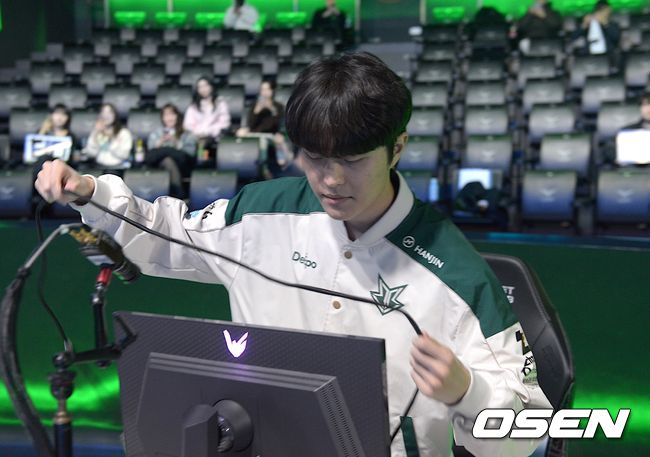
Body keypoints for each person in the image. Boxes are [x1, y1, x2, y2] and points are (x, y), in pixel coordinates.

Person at [35, 52, 551, 457]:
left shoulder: (459, 275)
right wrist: (90, 193)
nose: (330, 179)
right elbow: (165, 237)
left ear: (397, 148)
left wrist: (466, 393)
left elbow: (531, 429)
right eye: (314, 157)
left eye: (352, 160)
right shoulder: (262, 213)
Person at [236, 80, 292, 171]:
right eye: (262, 89)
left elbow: (277, 124)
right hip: (254, 133)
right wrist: (256, 111)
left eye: (267, 89)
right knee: (240, 133)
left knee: (263, 141)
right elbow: (250, 125)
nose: (264, 92)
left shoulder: (278, 106)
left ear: (272, 91)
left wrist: (272, 109)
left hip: (270, 135)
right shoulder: (255, 105)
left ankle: (263, 167)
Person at [146, 103, 197, 198]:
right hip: (159, 165)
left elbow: (190, 153)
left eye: (172, 114)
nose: (169, 118)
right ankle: (179, 195)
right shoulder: (156, 133)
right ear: (162, 118)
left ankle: (176, 194)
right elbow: (150, 154)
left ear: (177, 116)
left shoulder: (186, 133)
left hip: (182, 166)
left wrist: (176, 142)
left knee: (169, 158)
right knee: (167, 160)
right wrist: (159, 143)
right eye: (166, 115)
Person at [183, 76, 231, 162]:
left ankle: (201, 160)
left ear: (211, 87)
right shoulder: (193, 106)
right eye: (200, 87)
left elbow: (224, 123)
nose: (203, 89)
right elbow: (188, 124)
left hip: (214, 135)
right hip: (196, 135)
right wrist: (198, 132)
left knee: (203, 142)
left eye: (205, 85)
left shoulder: (220, 103)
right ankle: (196, 160)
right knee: (191, 140)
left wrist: (207, 132)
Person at [81, 103, 133, 169]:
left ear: (115, 115)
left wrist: (111, 140)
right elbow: (90, 153)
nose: (106, 115)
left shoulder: (123, 133)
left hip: (118, 167)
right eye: (104, 112)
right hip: (99, 167)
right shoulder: (97, 132)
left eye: (109, 113)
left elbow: (124, 155)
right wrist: (95, 134)